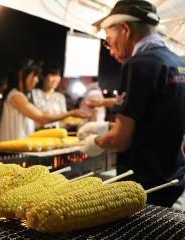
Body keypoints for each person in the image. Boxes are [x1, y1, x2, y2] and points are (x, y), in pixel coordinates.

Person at [78, 0, 185, 208]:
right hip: (176, 181)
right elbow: (158, 119)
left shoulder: (138, 64)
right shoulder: (179, 63)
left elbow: (120, 141)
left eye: (109, 41)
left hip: (143, 188)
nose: (110, 50)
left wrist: (95, 140)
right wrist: (109, 126)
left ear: (125, 29)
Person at [0, 61, 89, 141]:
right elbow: (41, 118)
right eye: (34, 75)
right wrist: (70, 113)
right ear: (22, 75)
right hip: (13, 149)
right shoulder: (16, 96)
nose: (36, 80)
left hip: (20, 146)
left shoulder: (20, 95)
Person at [32, 64, 86, 129]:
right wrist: (71, 113)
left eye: (58, 76)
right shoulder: (34, 94)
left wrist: (71, 123)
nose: (55, 79)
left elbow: (63, 121)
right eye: (52, 75)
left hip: (55, 134)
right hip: (37, 134)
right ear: (43, 77)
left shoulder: (60, 97)